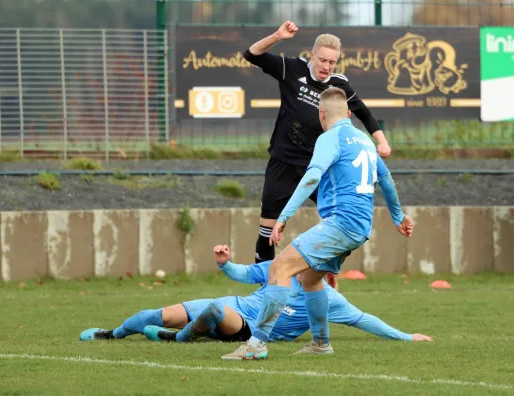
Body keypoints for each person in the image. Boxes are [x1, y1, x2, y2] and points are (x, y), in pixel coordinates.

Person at [220, 87, 413, 361]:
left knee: (279, 267)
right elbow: (387, 181)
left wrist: (284, 216)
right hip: (360, 227)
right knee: (309, 278)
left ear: (321, 115)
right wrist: (398, 217)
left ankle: (256, 344)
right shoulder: (365, 140)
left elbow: (311, 177)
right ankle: (321, 342)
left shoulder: (329, 138)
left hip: (341, 224)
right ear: (348, 114)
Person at [244, 21, 392, 268]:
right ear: (312, 55)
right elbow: (252, 54)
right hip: (283, 162)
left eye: (332, 62)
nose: (326, 67)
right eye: (322, 60)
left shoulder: (339, 85)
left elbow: (364, 113)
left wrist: (382, 142)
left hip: (319, 166)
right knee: (267, 231)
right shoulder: (291, 69)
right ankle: (264, 291)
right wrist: (278, 36)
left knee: (337, 222)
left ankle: (327, 274)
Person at [79, 246, 431, 345]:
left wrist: (406, 336)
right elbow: (244, 274)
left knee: (216, 310)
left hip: (244, 326)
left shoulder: (328, 299)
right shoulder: (281, 267)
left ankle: (175, 340)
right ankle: (110, 334)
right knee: (147, 315)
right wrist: (225, 264)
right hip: (234, 305)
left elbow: (365, 320)